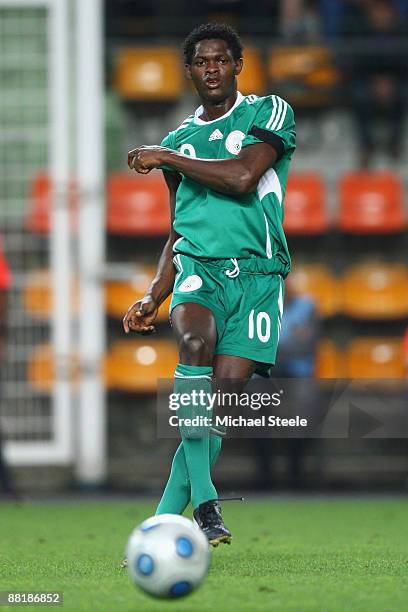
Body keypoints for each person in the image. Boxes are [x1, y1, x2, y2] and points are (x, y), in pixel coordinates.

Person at [123, 23, 296, 546]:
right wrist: (156, 293)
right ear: (191, 70)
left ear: (238, 65)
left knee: (217, 408)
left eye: (222, 59)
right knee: (194, 343)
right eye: (202, 62)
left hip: (260, 277)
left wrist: (167, 157)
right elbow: (179, 225)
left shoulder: (269, 112)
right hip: (201, 270)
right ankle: (207, 503)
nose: (213, 69)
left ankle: (156, 529)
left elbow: (244, 177)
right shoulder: (179, 139)